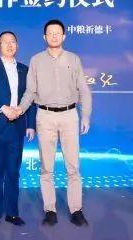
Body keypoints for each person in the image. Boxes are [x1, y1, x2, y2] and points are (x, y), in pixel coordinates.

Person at [5, 19, 92, 227]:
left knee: (73, 167)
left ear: (64, 36)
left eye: (57, 32)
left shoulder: (74, 59)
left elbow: (84, 89)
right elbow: (30, 92)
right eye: (50, 33)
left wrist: (86, 116)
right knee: (46, 167)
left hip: (69, 115)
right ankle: (50, 210)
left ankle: (76, 210)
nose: (54, 35)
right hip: (45, 116)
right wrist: (20, 109)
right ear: (44, 37)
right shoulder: (36, 60)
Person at [0, 31, 36, 226]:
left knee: (13, 171)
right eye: (5, 42)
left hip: (17, 126)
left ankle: (12, 213)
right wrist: (3, 108)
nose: (10, 45)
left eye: (13, 42)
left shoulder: (25, 70)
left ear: (17, 46)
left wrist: (31, 124)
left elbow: (31, 97)